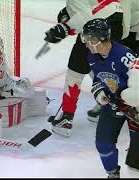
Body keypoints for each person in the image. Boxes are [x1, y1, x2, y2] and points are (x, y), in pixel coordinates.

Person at [44, 0, 139, 137]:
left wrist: (65, 27)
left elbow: (85, 16)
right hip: (120, 24)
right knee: (104, 66)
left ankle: (66, 117)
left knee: (76, 69)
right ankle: (108, 104)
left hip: (112, 26)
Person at [81, 18, 139, 178]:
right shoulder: (92, 56)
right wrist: (99, 92)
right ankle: (113, 174)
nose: (85, 43)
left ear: (95, 40)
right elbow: (98, 79)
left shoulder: (125, 56)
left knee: (136, 156)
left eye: (86, 39)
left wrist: (134, 103)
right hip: (113, 104)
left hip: (134, 107)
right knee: (103, 143)